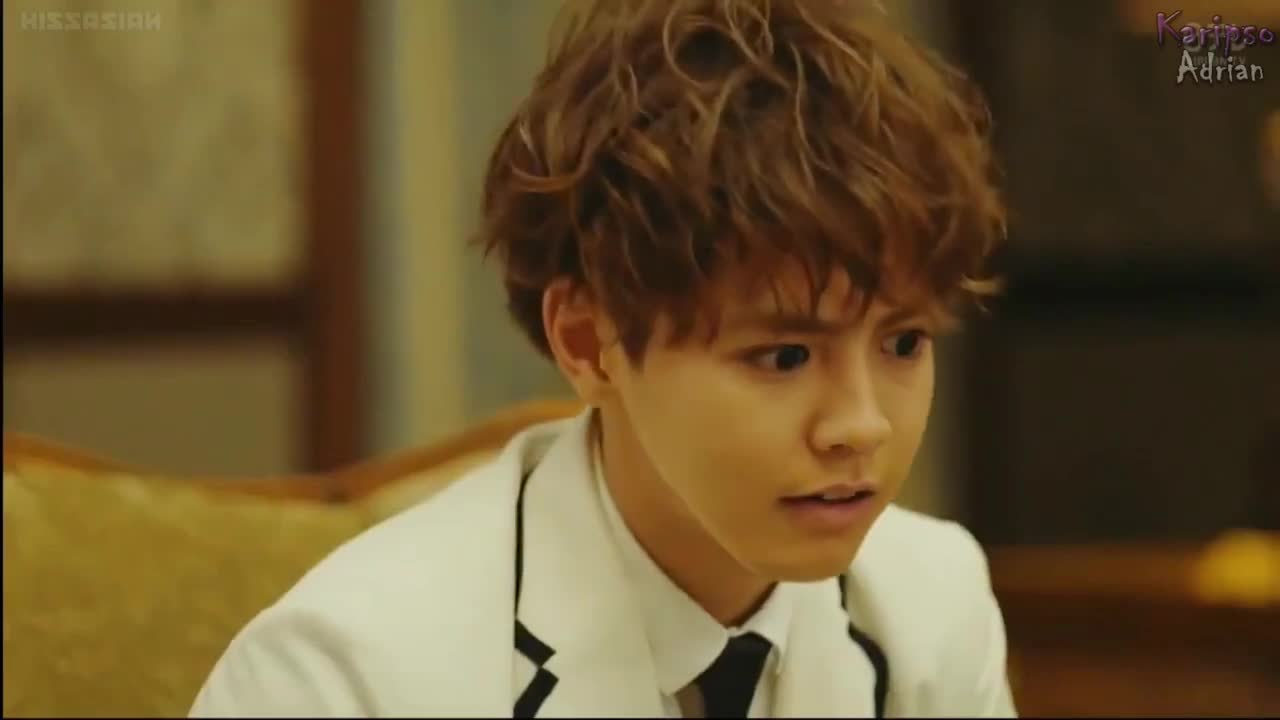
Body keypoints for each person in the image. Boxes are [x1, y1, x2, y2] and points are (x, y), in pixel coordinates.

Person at [190, 0, 1015, 716]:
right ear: (588, 342)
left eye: (904, 342)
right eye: (785, 356)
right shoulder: (342, 675)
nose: (862, 425)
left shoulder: (930, 604)